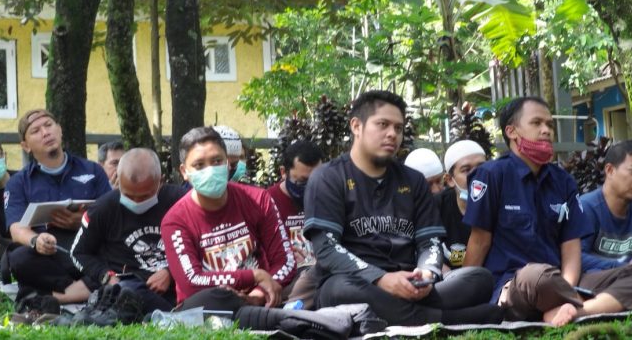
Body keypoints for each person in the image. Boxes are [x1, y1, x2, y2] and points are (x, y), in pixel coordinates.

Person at [304, 90, 502, 326]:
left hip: (410, 283)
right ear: (356, 126)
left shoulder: (413, 180)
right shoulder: (328, 178)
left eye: (398, 128)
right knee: (339, 290)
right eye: (383, 124)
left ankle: (401, 315)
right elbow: (326, 249)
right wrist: (381, 279)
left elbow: (429, 242)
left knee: (479, 278)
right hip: (357, 283)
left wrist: (427, 274)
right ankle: (447, 319)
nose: (392, 134)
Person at [463, 96, 632, 326]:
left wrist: (567, 286)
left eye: (550, 125)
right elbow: (479, 242)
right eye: (536, 123)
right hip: (515, 284)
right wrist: (466, 294)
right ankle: (580, 304)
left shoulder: (563, 181)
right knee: (536, 276)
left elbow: (571, 249)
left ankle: (575, 310)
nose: (546, 130)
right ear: (512, 131)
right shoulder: (491, 175)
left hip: (562, 280)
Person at [162, 126, 295, 312]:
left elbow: (285, 261)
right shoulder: (175, 221)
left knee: (309, 277)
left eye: (217, 161)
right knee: (215, 298)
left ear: (228, 163)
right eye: (199, 165)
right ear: (184, 171)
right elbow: (191, 281)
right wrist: (254, 276)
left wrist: (258, 294)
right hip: (209, 306)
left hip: (262, 297)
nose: (210, 170)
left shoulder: (258, 199)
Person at [5, 109, 111, 304]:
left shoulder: (93, 170)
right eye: (36, 131)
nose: (45, 133)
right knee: (19, 258)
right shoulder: (18, 182)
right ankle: (83, 288)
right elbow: (16, 228)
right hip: (51, 252)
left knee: (116, 250)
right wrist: (36, 240)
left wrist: (83, 221)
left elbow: (113, 216)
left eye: (49, 125)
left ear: (60, 130)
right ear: (26, 146)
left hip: (88, 246)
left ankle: (55, 294)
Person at [71, 148, 185, 316]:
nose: (136, 201)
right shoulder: (104, 208)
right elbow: (79, 252)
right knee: (126, 291)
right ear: (118, 181)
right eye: (128, 195)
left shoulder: (181, 201)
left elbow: (202, 243)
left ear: (160, 181)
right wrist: (107, 277)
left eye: (145, 196)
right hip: (131, 286)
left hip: (180, 280)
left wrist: (170, 272)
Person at [267, 140, 323, 305]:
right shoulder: (266, 203)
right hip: (287, 279)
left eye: (316, 180)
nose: (311, 188)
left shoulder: (327, 198)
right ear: (283, 172)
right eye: (302, 181)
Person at [580, 140, 632, 270]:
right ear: (610, 170)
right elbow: (575, 257)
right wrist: (622, 267)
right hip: (599, 278)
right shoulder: (586, 207)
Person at [434, 140, 487, 270]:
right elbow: (425, 247)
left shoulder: (503, 203)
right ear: (449, 180)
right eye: (466, 170)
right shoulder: (436, 206)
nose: (477, 175)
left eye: (482, 167)